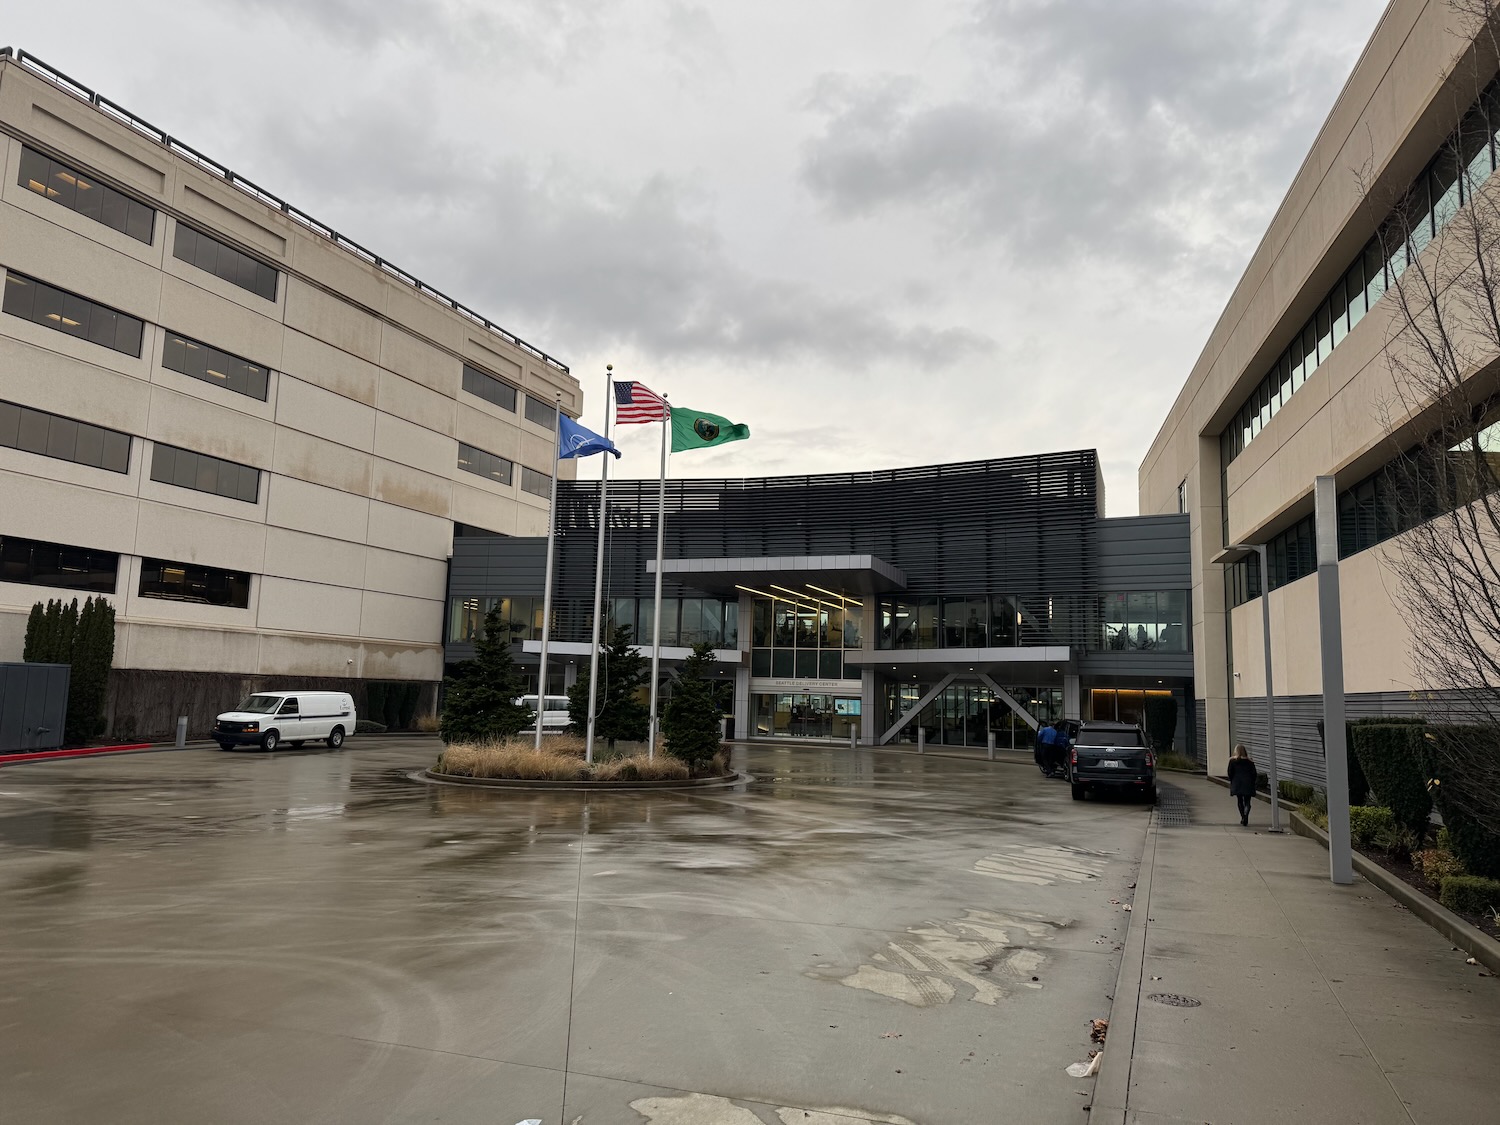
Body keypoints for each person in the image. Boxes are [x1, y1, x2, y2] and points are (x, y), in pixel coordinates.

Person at [1227, 744, 1257, 826]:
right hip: (1248, 783)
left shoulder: (1232, 761)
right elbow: (1254, 774)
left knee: (1239, 800)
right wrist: (1252, 782)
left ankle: (1243, 817)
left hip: (1238, 783)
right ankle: (1246, 815)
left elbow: (1230, 773)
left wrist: (1233, 780)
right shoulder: (1250, 762)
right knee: (1247, 801)